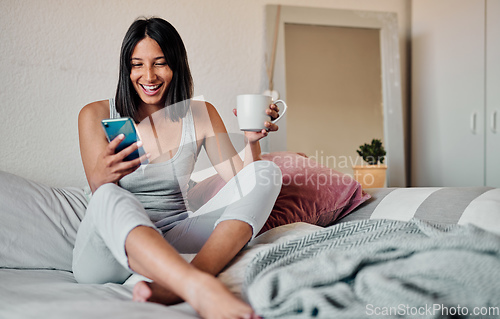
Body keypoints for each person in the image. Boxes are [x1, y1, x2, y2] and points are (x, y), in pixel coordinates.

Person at [72, 17, 283, 319]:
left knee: (267, 172)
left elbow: (241, 183)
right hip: (109, 250)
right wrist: (105, 175)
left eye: (160, 63)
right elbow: (98, 191)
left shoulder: (199, 114)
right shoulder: (95, 114)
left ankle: (184, 281)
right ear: (126, 69)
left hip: (173, 237)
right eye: (137, 64)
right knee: (107, 195)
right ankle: (197, 287)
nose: (149, 75)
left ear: (176, 65)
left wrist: (252, 141)